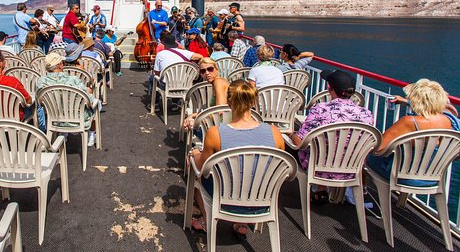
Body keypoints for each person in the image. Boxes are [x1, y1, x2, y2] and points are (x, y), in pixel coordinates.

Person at [188, 80, 285, 237]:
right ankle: (242, 223)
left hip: (225, 199)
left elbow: (202, 166)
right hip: (262, 201)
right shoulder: (274, 132)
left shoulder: (215, 133)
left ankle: (206, 220)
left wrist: (194, 153)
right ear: (253, 102)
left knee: (192, 165)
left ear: (228, 101)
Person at [292, 70, 373, 201]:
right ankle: (330, 191)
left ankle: (320, 189)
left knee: (308, 147)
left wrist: (292, 135)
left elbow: (300, 141)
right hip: (351, 169)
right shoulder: (366, 114)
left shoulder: (321, 109)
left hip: (319, 168)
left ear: (329, 88)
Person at [367, 79, 460, 186]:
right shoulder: (452, 123)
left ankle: (360, 193)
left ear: (416, 100)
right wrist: (407, 102)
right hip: (433, 178)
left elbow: (378, 149)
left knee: (364, 156)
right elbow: (449, 109)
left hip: (402, 176)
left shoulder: (409, 122)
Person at [36, 52, 99, 147]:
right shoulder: (73, 80)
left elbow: (40, 101)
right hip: (77, 119)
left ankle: (63, 134)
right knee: (96, 104)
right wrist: (89, 93)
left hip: (54, 119)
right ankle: (92, 135)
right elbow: (89, 101)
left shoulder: (40, 82)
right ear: (59, 65)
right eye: (62, 62)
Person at [0, 49, 46, 131]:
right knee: (35, 103)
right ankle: (41, 132)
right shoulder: (11, 81)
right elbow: (28, 100)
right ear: (0, 63)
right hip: (13, 120)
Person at [150, 32, 203, 110]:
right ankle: (175, 103)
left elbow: (157, 72)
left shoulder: (160, 54)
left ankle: (156, 104)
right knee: (177, 76)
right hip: (184, 84)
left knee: (152, 78)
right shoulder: (185, 53)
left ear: (164, 45)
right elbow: (200, 56)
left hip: (167, 86)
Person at [182, 57, 230, 131]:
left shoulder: (218, 83)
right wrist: (195, 115)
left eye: (210, 69)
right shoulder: (218, 82)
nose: (207, 73)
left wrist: (197, 120)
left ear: (217, 69)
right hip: (222, 122)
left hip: (223, 127)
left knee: (192, 127)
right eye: (203, 71)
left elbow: (220, 110)